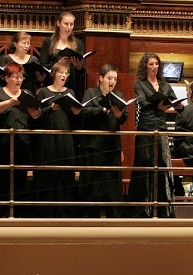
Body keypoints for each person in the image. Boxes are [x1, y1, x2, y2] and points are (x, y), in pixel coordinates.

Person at [129, 52, 182, 218]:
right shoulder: (140, 84)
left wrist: (177, 106)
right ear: (145, 66)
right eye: (151, 64)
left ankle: (164, 208)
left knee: (163, 163)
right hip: (146, 127)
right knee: (145, 163)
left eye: (156, 64)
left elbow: (173, 99)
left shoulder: (164, 84)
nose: (154, 67)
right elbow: (143, 103)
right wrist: (157, 106)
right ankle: (142, 209)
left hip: (161, 126)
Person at [0, 62, 39, 217]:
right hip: (1, 142)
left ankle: (18, 211)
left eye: (21, 77)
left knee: (20, 176)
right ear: (7, 78)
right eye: (15, 77)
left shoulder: (26, 93)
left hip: (22, 141)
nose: (18, 80)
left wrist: (36, 114)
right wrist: (9, 102)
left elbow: (36, 112)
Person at [80, 64, 128, 217]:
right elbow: (84, 111)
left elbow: (124, 118)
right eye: (109, 78)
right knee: (93, 182)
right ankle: (91, 215)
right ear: (101, 78)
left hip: (112, 145)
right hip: (94, 144)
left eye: (115, 79)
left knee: (112, 184)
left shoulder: (118, 95)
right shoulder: (91, 92)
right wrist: (102, 110)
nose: (112, 81)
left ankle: (114, 214)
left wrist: (119, 115)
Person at [33, 62, 80, 217]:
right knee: (49, 171)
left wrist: (76, 112)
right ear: (54, 74)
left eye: (66, 73)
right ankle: (47, 209)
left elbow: (74, 118)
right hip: (48, 136)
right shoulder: (44, 92)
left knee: (65, 171)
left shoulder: (70, 92)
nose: (64, 76)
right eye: (61, 73)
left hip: (65, 136)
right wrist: (49, 108)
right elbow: (36, 115)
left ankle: (64, 208)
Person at [39, 11, 86, 96]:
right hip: (51, 83)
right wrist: (59, 63)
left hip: (71, 83)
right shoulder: (48, 42)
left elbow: (82, 70)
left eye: (71, 24)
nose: (69, 27)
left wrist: (78, 66)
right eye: (66, 24)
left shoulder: (78, 43)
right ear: (58, 23)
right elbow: (43, 66)